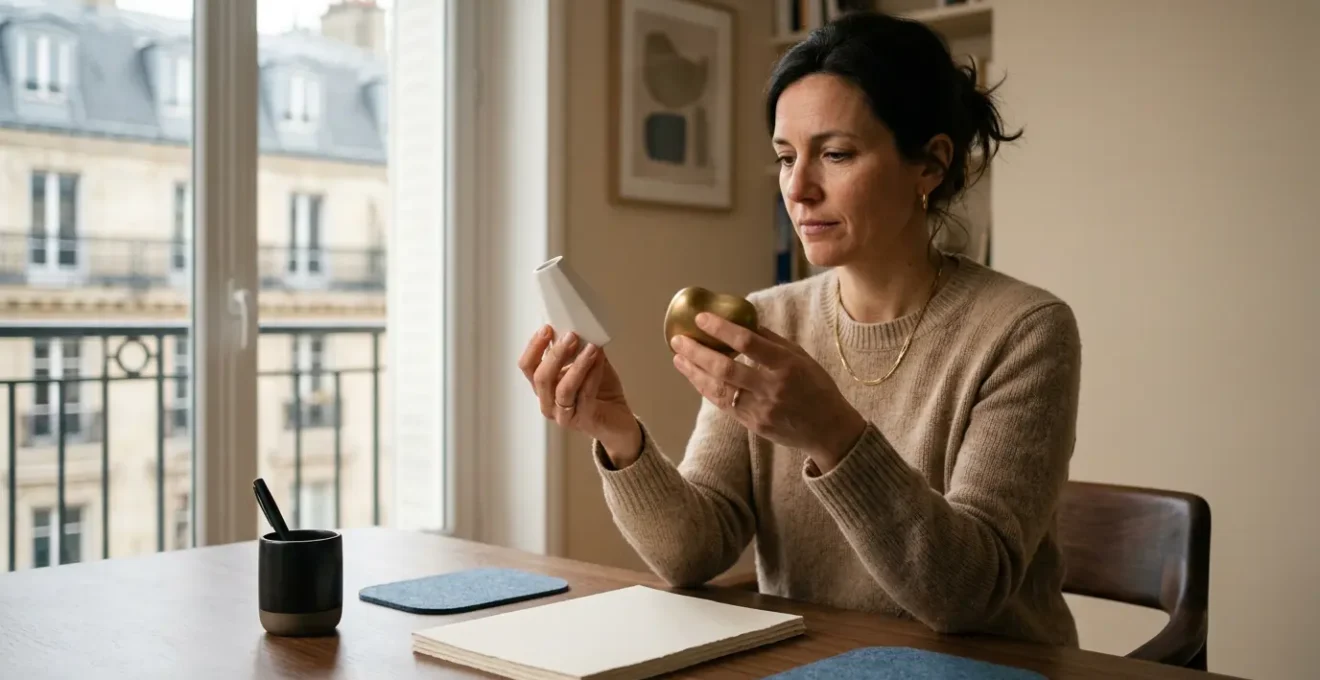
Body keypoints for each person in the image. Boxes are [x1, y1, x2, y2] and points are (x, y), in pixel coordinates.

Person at [518, 11, 1081, 647]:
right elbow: (693, 552)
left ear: (930, 164)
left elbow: (967, 595)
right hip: (807, 663)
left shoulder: (1025, 332)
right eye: (786, 157)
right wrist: (618, 433)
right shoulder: (766, 320)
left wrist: (831, 433)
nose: (799, 188)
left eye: (835, 154)